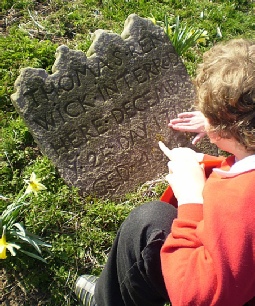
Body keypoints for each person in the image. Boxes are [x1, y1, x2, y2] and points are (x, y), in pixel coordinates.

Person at [74, 38, 255, 306]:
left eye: (210, 117)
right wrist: (222, 138)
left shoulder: (242, 204)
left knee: (144, 224)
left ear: (225, 130)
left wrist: (191, 198)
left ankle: (107, 298)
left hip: (211, 284)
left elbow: (196, 297)